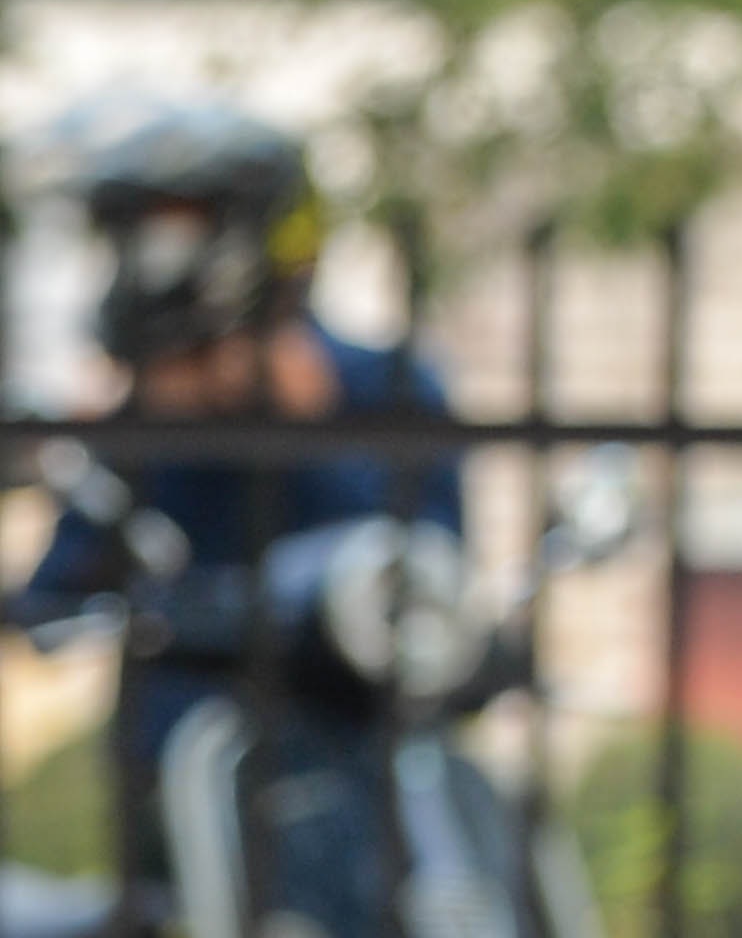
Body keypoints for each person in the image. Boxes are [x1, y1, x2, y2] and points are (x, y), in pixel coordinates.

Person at [19, 102, 464, 792]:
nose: (146, 266)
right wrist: (112, 445)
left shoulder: (388, 383)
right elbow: (51, 608)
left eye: (168, 236)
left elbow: (431, 577)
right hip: (180, 776)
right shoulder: (137, 419)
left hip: (361, 774)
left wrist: (303, 432)